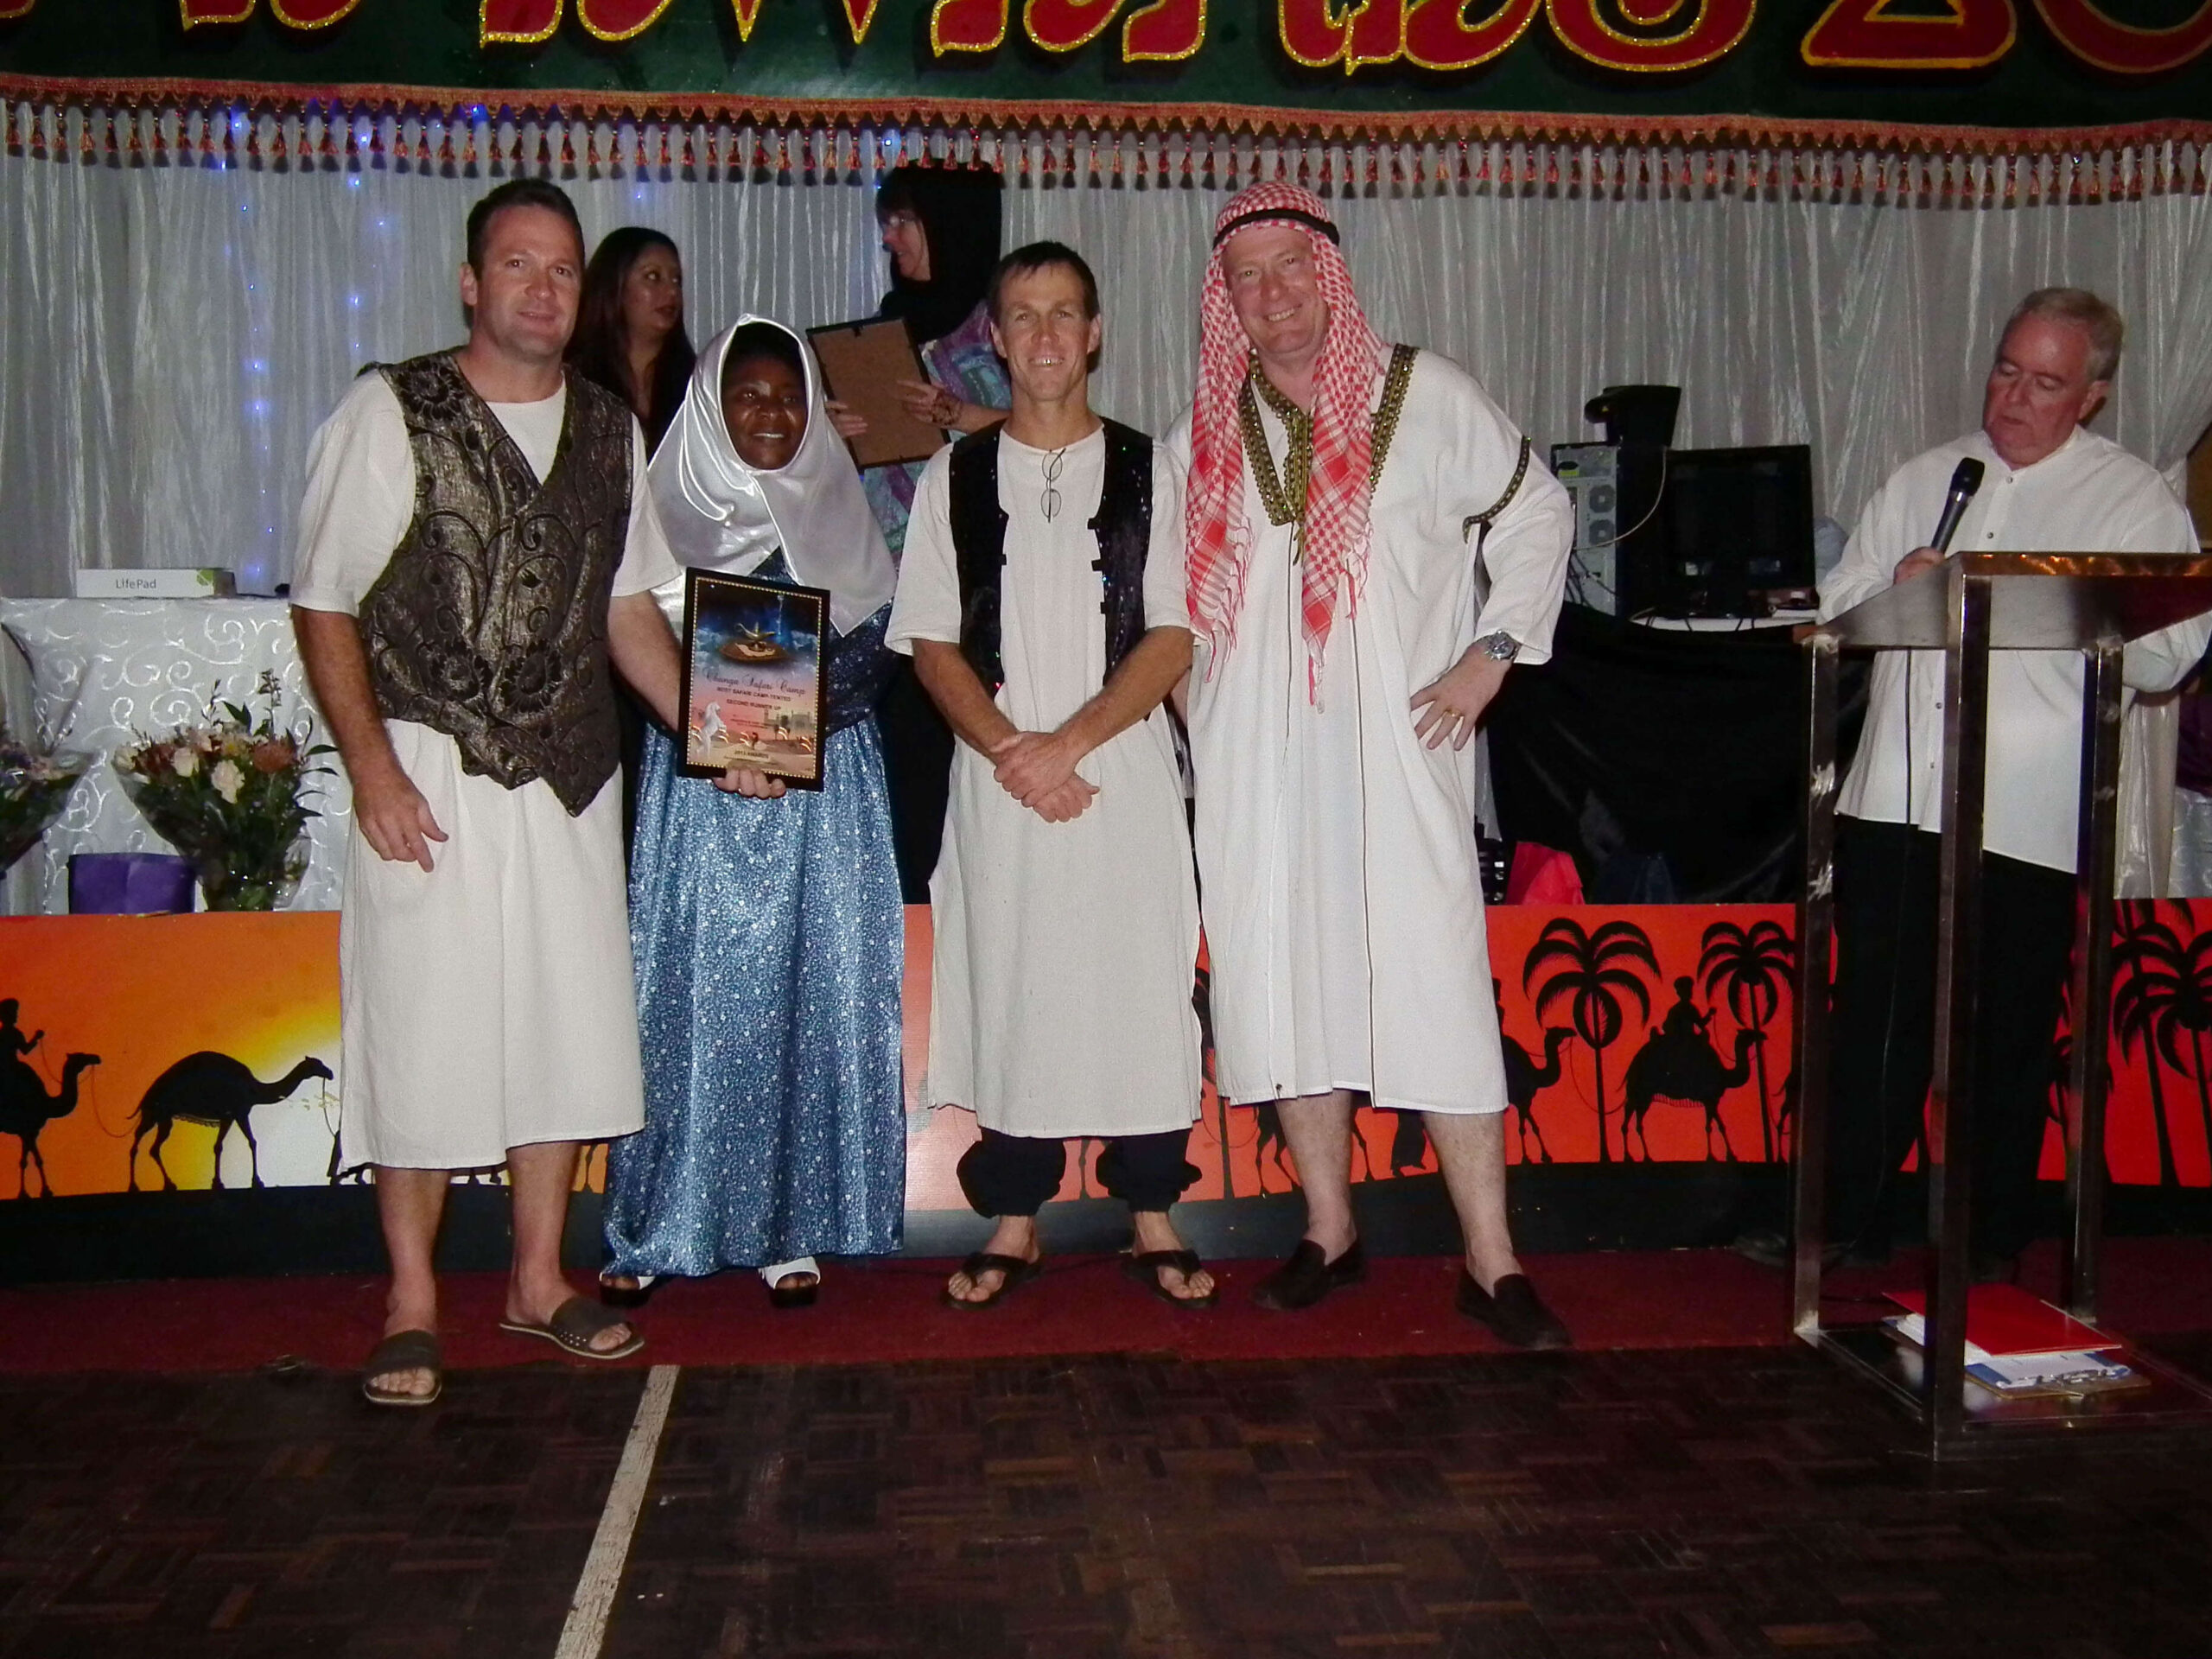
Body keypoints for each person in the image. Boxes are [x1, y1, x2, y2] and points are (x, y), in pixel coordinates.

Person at [291, 179, 688, 1407]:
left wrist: (723, 733)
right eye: (517, 264)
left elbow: (628, 606)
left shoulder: (612, 428)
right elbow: (324, 600)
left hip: (571, 778)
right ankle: (412, 1302)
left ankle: (536, 1280)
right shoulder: (390, 408)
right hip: (430, 771)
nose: (542, 288)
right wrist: (371, 771)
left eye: (562, 268)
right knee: (424, 1027)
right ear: (471, 282)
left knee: (562, 1030)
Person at [1167, 181, 1575, 1348]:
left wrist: (1492, 655)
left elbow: (1538, 512)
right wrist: (1213, 729)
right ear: (1223, 301)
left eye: (1290, 264)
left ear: (1331, 273)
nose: (1272, 293)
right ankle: (1329, 1231)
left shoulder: (1428, 395)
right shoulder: (1203, 438)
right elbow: (1171, 614)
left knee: (1435, 982)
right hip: (1263, 774)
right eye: (1245, 276)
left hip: (1406, 752)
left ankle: (1491, 1259)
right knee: (1285, 985)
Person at [1736, 288, 2211, 1280]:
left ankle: (1987, 1238)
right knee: (1877, 1017)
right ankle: (1848, 1219)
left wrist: (2080, 607)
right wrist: (1896, 587)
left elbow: (2172, 654)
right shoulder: (1928, 476)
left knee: (2006, 1029)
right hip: (1894, 798)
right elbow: (1836, 606)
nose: (2014, 397)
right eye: (2005, 370)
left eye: (2045, 382)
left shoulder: (2131, 500)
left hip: (2025, 811)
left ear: (2092, 395)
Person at [887, 241, 1211, 1309]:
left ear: (1095, 332)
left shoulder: (1150, 467)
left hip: (1121, 777)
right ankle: (1015, 1219)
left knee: (1137, 983)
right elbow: (931, 641)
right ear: (996, 336)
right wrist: (1012, 752)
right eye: (1022, 315)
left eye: (1063, 313)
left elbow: (1172, 633)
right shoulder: (954, 476)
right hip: (998, 783)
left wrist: (1066, 744)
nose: (1043, 336)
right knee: (1012, 977)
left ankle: (1151, 1212)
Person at [599, 317, 906, 1308]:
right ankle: (659, 1223)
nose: (771, 413)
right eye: (747, 395)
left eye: (788, 395)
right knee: (687, 995)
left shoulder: (842, 502)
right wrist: (729, 739)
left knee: (810, 996)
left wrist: (783, 734)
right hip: (699, 792)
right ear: (708, 407)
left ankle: (790, 1225)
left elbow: (881, 642)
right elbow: (631, 634)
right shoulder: (657, 512)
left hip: (825, 790)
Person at [837, 164, 1013, 905]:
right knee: (897, 792)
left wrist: (958, 416)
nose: (891, 237)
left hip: (974, 605)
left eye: (906, 221)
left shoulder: (1001, 330)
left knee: (965, 793)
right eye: (888, 222)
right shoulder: (881, 331)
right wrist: (832, 436)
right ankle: (903, 943)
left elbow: (1053, 434)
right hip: (881, 601)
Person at [568, 226, 696, 454]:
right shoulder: (574, 380)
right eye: (653, 277)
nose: (672, 292)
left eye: (676, 280)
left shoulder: (696, 382)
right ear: (614, 285)